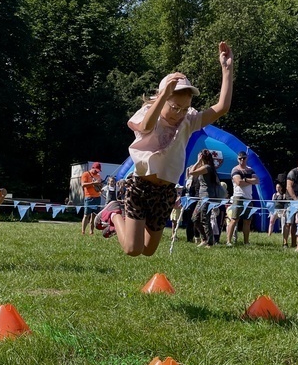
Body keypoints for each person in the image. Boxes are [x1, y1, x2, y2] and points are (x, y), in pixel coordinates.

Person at [97, 42, 233, 257]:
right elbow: (146, 127)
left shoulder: (188, 121)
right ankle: (114, 213)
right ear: (163, 99)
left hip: (165, 192)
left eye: (184, 108)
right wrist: (162, 96)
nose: (178, 113)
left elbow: (221, 107)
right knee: (133, 249)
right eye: (174, 107)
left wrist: (227, 69)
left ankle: (121, 219)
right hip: (140, 187)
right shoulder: (147, 113)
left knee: (149, 251)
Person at [190, 149, 222, 247]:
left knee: (204, 219)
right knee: (195, 218)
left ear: (202, 157)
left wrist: (197, 162)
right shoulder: (208, 167)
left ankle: (210, 242)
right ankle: (204, 238)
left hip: (206, 197)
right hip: (202, 197)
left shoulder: (207, 167)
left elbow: (191, 172)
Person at [227, 150, 259, 246]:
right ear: (238, 159)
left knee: (247, 221)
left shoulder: (250, 169)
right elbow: (239, 183)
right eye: (240, 158)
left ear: (246, 158)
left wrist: (245, 179)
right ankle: (228, 241)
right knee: (234, 219)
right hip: (238, 197)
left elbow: (257, 180)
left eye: (244, 158)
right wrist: (249, 181)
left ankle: (246, 242)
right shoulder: (235, 170)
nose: (242, 160)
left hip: (249, 198)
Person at [81, 162, 103, 235]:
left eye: (98, 170)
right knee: (86, 215)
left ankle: (91, 231)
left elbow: (100, 185)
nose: (97, 171)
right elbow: (83, 185)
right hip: (89, 197)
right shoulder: (85, 174)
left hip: (97, 197)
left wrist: (100, 186)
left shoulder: (98, 176)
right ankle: (83, 232)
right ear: (92, 168)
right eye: (96, 170)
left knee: (94, 216)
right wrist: (93, 183)